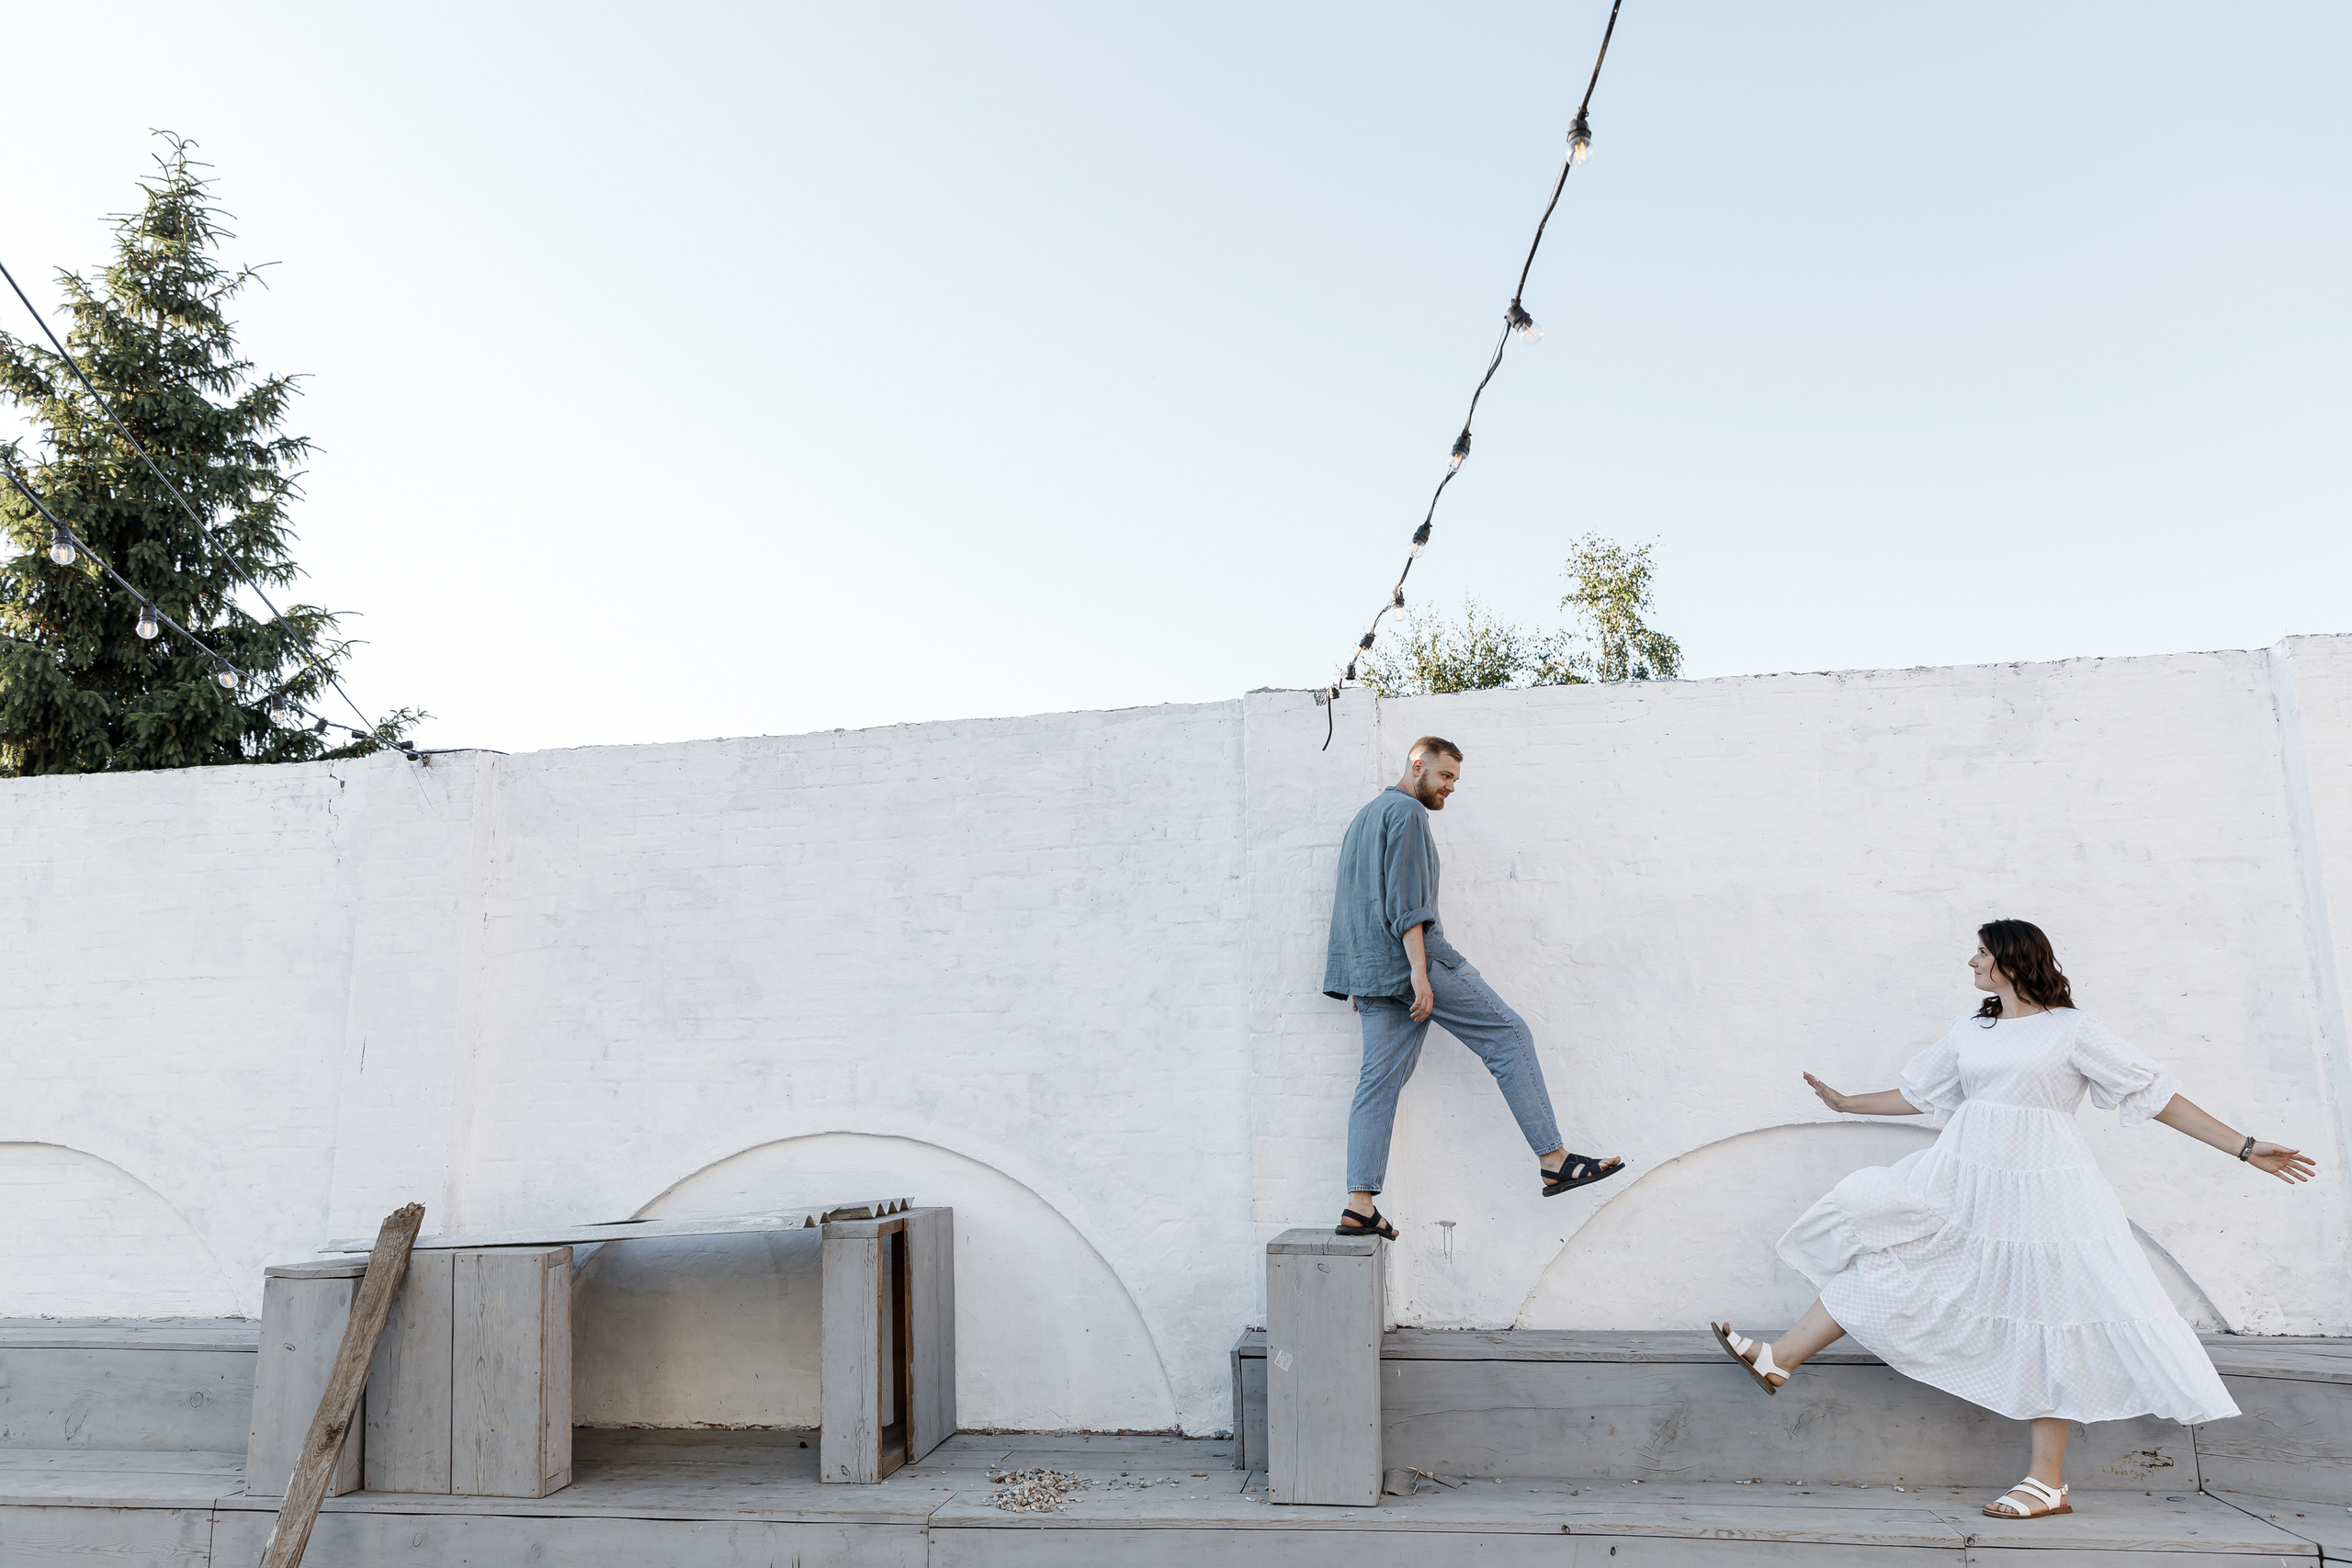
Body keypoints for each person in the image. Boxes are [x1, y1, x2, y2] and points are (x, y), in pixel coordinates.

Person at [1712, 919, 2316, 1521]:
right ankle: (1778, 1358)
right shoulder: (1971, 1030)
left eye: (1981, 952)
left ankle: (2047, 1483)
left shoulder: (2073, 1029)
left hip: (2047, 1189)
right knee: (1889, 1258)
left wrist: (2244, 1146)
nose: (1971, 962)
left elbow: (2154, 1096)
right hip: (1967, 1182)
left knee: (2049, 1314)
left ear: (2012, 958)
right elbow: (1921, 1094)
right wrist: (1847, 1103)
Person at [1322, 735, 1622, 1240]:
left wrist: (1360, 976)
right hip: (1413, 963)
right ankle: (1554, 1161)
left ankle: (1360, 1205)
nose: (1450, 787)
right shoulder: (1407, 813)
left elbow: (1353, 903)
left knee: (1377, 1083)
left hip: (1373, 973)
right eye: (1445, 775)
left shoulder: (1363, 819)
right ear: (1417, 764)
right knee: (1508, 1035)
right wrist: (1419, 972)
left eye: (1455, 779)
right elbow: (1407, 902)